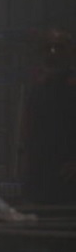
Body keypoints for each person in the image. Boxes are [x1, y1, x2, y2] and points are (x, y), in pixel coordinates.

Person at [22, 28, 76, 204]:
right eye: (48, 48)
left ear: (71, 52)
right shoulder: (37, 90)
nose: (52, 53)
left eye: (59, 47)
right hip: (40, 178)